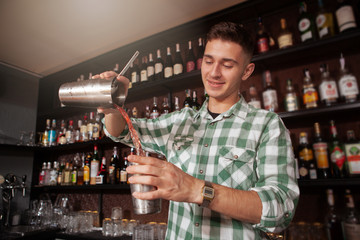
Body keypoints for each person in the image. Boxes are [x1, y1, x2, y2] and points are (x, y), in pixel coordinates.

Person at [95, 22, 299, 239]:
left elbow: (280, 209)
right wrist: (113, 104)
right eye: (209, 61)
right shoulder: (179, 122)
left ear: (246, 71)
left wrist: (197, 189)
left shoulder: (266, 125)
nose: (214, 72)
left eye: (227, 65)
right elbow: (123, 131)